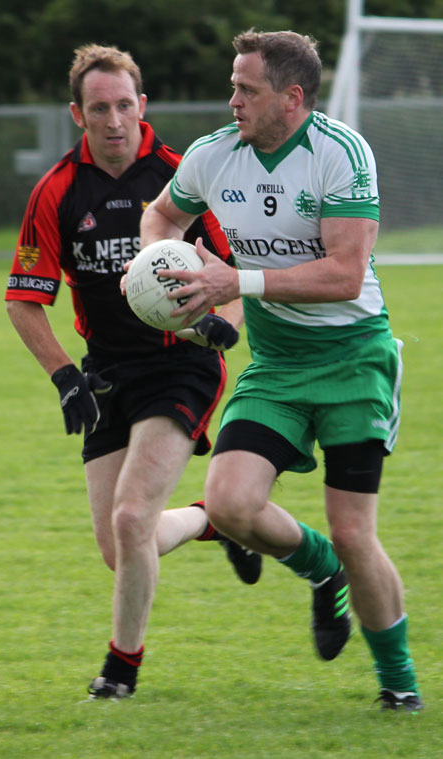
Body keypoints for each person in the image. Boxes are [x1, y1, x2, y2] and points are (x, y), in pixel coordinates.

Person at [134, 30, 422, 712]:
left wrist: (237, 279)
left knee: (356, 531)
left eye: (246, 89)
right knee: (230, 505)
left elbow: (346, 273)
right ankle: (323, 573)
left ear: (291, 98)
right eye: (233, 85)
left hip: (354, 358)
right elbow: (162, 215)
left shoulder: (341, 153)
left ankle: (399, 679)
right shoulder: (214, 155)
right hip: (279, 363)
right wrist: (152, 265)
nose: (232, 100)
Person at [4, 43, 264, 701]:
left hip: (182, 364)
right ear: (77, 114)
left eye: (124, 105)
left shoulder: (184, 175)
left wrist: (222, 319)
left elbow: (231, 270)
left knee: (130, 519)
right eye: (99, 108)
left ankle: (121, 669)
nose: (114, 120)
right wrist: (66, 375)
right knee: (122, 549)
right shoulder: (58, 189)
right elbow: (23, 299)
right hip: (108, 373)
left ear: (142, 105)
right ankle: (215, 519)